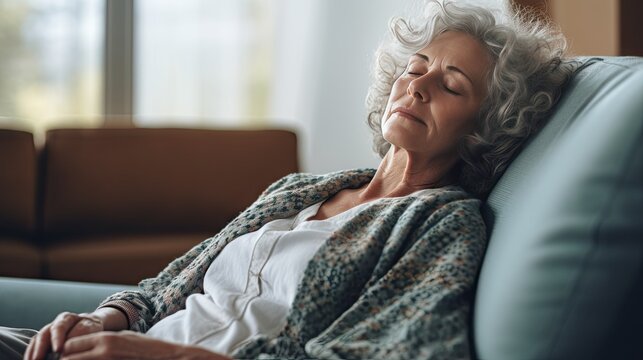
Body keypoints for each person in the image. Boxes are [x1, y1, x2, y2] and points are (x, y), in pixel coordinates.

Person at [2, 1, 577, 359]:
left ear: (488, 125)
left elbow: (395, 352)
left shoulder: (443, 224)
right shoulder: (301, 189)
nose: (417, 88)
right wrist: (102, 319)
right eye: (415, 67)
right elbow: (170, 285)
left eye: (451, 85)